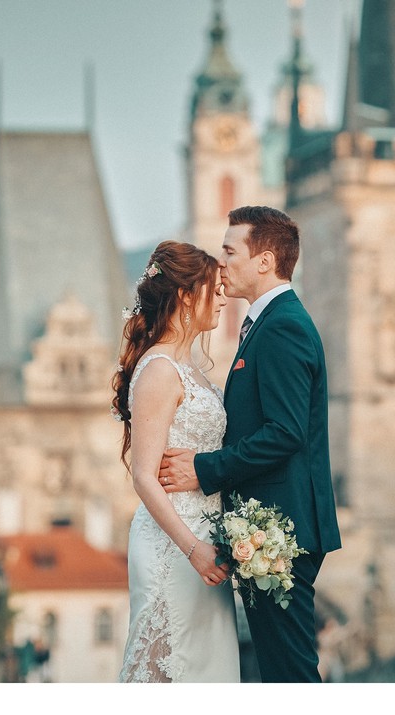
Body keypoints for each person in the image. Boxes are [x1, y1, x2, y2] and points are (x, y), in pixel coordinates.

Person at [159, 206, 341, 683]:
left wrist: (205, 469)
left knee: (290, 672)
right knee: (282, 671)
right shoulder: (267, 322)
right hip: (269, 529)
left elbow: (286, 432)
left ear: (264, 261)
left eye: (229, 250)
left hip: (281, 530)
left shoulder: (282, 325)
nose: (220, 263)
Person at [112, 240, 239, 683]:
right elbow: (145, 478)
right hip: (176, 546)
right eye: (213, 288)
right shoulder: (160, 370)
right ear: (186, 295)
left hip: (205, 539)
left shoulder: (192, 368)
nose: (223, 297)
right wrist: (194, 549)